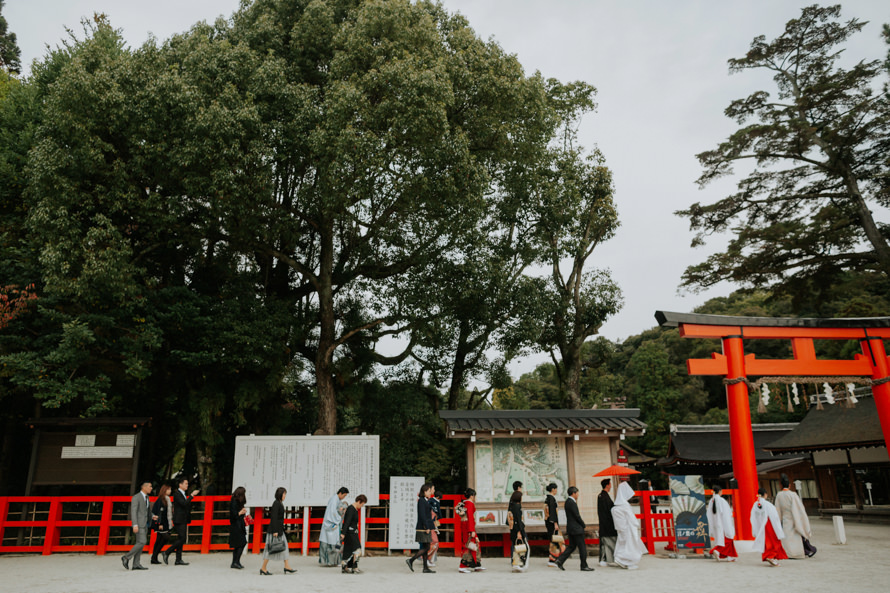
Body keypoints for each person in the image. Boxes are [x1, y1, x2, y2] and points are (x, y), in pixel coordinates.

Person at [774, 474, 815, 558]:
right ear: (789, 485)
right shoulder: (793, 495)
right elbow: (799, 509)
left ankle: (788, 553)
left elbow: (777, 509)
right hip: (794, 518)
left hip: (785, 520)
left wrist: (778, 521)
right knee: (797, 537)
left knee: (787, 538)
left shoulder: (779, 495)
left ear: (780, 485)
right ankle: (799, 552)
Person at [554, 486, 594, 571]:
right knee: (582, 547)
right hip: (576, 528)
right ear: (573, 493)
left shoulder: (568, 502)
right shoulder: (571, 502)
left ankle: (560, 560)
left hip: (571, 528)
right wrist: (583, 524)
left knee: (571, 546)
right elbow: (577, 516)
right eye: (577, 493)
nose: (578, 495)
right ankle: (584, 565)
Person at [260, 487, 297, 575]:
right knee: (270, 549)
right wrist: (275, 531)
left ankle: (287, 566)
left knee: (284, 547)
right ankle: (263, 568)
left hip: (279, 530)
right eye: (284, 494)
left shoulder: (279, 503)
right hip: (275, 531)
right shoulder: (276, 503)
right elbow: (274, 517)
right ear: (280, 494)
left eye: (285, 494)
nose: (285, 496)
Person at [162, 477, 199, 565]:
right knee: (182, 538)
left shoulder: (182, 493)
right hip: (179, 519)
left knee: (181, 538)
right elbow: (183, 504)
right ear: (180, 484)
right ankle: (167, 552)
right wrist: (192, 496)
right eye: (185, 483)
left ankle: (178, 559)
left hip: (183, 518)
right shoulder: (177, 494)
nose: (187, 485)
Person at [611, 482, 647, 570]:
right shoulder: (625, 506)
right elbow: (632, 519)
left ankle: (621, 559)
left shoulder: (616, 507)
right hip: (628, 528)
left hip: (620, 528)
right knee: (630, 545)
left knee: (622, 544)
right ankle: (628, 561)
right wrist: (636, 525)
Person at [751, 488, 788, 567]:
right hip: (770, 525)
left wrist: (756, 528)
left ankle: (770, 557)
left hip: (761, 527)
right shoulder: (768, 504)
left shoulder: (755, 505)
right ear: (765, 494)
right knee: (774, 541)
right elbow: (774, 516)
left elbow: (753, 517)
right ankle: (771, 556)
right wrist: (778, 527)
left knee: (766, 542)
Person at [122, 481, 154, 571]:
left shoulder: (147, 497)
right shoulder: (136, 497)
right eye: (150, 486)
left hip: (145, 523)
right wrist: (135, 524)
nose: (151, 488)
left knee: (139, 543)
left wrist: (152, 516)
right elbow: (134, 511)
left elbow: (147, 511)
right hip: (139, 524)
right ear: (144, 487)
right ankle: (126, 557)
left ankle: (136, 564)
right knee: (142, 542)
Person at [406, 483, 436, 573]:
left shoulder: (425, 500)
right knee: (426, 548)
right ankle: (411, 560)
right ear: (425, 491)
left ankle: (425, 568)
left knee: (426, 547)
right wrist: (426, 527)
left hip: (425, 527)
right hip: (423, 527)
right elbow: (422, 515)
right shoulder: (422, 501)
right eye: (429, 491)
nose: (430, 493)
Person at [706, 484, 737, 562]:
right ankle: (716, 550)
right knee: (727, 540)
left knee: (722, 540)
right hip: (722, 524)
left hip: (715, 524)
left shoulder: (711, 501)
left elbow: (708, 514)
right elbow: (726, 514)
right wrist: (728, 525)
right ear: (720, 491)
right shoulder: (721, 500)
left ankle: (729, 556)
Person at [319, 487, 349, 566]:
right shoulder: (334, 500)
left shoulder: (336, 500)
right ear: (340, 493)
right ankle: (331, 561)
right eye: (344, 495)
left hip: (331, 524)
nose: (344, 497)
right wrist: (339, 518)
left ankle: (329, 561)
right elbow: (332, 513)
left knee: (331, 543)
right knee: (333, 543)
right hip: (332, 524)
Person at [458, 488, 484, 573]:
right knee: (471, 545)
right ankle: (463, 565)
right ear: (472, 496)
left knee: (472, 544)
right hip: (469, 527)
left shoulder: (464, 503)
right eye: (474, 496)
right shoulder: (469, 504)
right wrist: (472, 530)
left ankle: (476, 564)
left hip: (466, 526)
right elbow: (470, 517)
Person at [341, 494, 367, 574]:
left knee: (348, 549)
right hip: (350, 533)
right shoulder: (351, 509)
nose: (362, 506)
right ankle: (354, 567)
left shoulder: (354, 509)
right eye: (362, 504)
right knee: (357, 549)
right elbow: (347, 522)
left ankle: (345, 567)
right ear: (359, 501)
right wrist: (343, 533)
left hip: (352, 532)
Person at [150, 484, 173, 565]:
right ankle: (155, 555)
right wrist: (160, 523)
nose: (170, 491)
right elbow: (160, 512)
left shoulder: (167, 499)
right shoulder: (161, 500)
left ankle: (154, 557)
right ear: (164, 490)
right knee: (165, 538)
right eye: (169, 489)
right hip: (162, 523)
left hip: (166, 522)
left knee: (159, 539)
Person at [597, 478, 617, 567]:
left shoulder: (603, 496)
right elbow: (608, 510)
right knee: (605, 542)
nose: (611, 486)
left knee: (606, 542)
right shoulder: (603, 496)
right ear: (607, 485)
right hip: (606, 523)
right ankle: (603, 559)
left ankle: (606, 559)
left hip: (606, 522)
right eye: (610, 484)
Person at [507, 488, 528, 572]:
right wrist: (519, 531)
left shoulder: (511, 506)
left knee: (516, 546)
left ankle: (516, 563)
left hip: (512, 529)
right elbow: (518, 520)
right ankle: (517, 563)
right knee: (520, 546)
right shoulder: (517, 506)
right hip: (517, 529)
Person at [544, 483, 564, 567]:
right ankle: (552, 560)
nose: (556, 490)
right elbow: (552, 512)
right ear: (553, 489)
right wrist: (555, 523)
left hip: (548, 521)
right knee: (554, 541)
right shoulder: (551, 499)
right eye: (556, 489)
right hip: (552, 523)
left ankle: (554, 558)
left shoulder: (547, 498)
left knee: (554, 540)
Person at [229, 486, 249, 569]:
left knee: (238, 544)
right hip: (236, 526)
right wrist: (240, 512)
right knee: (242, 543)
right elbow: (233, 515)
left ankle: (235, 562)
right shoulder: (234, 502)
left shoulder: (239, 502)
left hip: (239, 525)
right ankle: (236, 561)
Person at [427, 485, 441, 567]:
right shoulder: (428, 503)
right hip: (429, 526)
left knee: (434, 543)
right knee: (434, 543)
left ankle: (429, 559)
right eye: (433, 489)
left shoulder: (431, 503)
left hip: (432, 526)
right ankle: (427, 559)